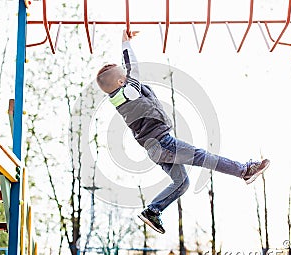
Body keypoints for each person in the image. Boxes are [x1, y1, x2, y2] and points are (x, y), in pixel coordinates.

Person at [96, 30, 270, 234]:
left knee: (182, 182)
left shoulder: (120, 97)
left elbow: (126, 73)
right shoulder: (129, 91)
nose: (129, 78)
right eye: (125, 77)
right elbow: (132, 66)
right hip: (162, 143)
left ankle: (152, 211)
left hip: (156, 148)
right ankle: (244, 171)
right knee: (202, 156)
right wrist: (125, 43)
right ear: (120, 82)